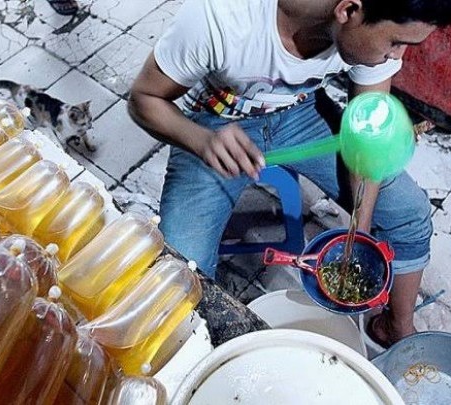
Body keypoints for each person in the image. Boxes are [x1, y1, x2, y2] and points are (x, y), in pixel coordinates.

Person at [128, 0, 451, 347]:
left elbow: (366, 138)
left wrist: (359, 232)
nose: (396, 56)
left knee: (409, 212)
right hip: (215, 122)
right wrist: (202, 141)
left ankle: (396, 327)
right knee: (181, 277)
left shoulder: (371, 32)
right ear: (349, 10)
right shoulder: (220, 17)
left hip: (300, 112)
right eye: (395, 43)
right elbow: (143, 99)